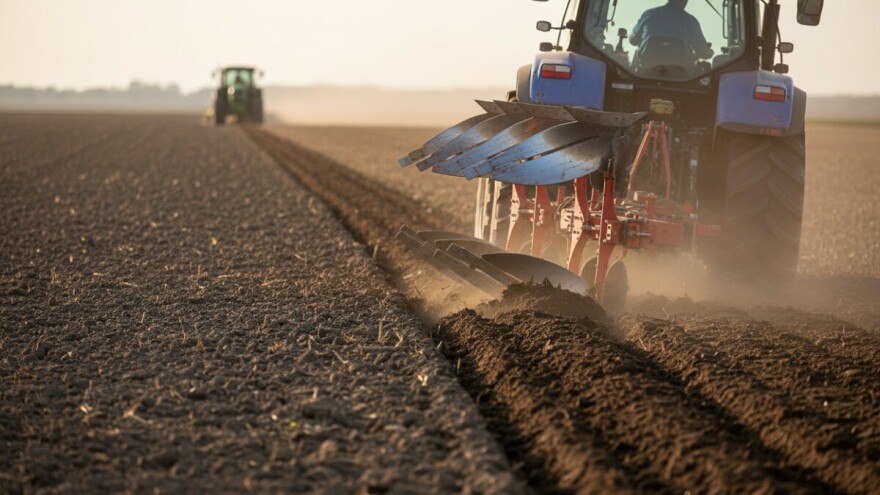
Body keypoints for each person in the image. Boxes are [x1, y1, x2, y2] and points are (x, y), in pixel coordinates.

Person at [629, 0, 714, 66]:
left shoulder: (648, 14)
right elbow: (702, 52)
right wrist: (710, 52)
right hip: (681, 76)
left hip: (645, 69)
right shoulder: (691, 21)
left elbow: (632, 40)